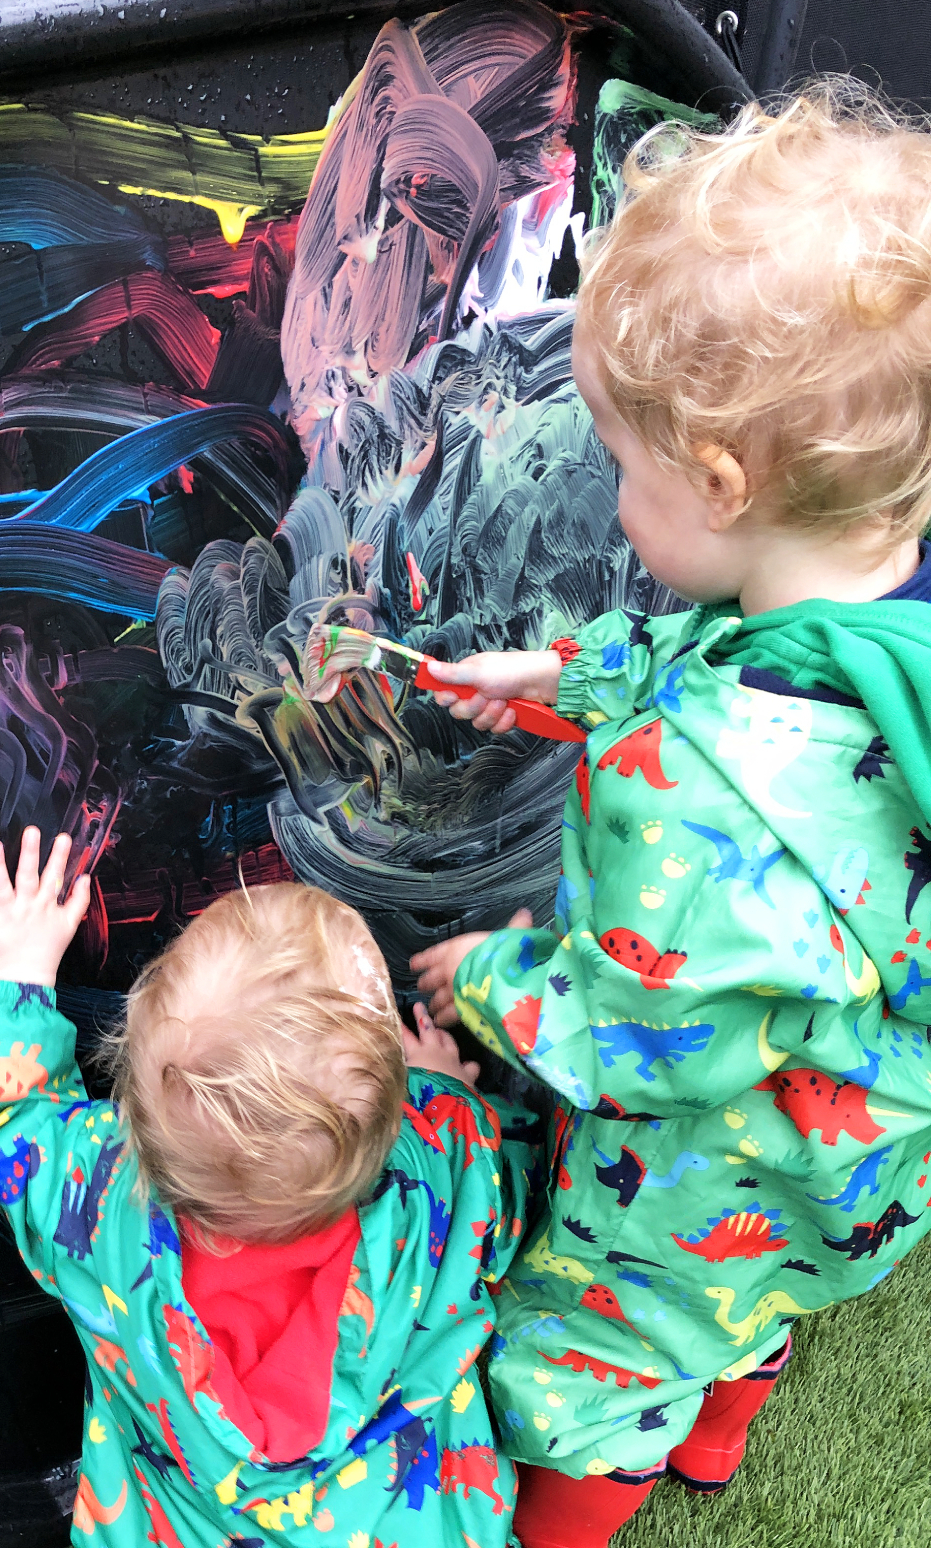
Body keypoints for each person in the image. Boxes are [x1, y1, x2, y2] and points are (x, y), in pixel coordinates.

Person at [359, 84, 931, 1548]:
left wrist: (485, 978)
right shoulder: (884, 604)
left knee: (595, 1351)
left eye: (625, 464)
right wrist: (575, 677)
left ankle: (573, 1507)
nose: (613, 492)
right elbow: (754, 658)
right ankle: (722, 1435)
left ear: (724, 482)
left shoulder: (710, 806)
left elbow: (645, 1034)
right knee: (765, 1285)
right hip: (855, 1143)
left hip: (707, 1156)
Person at [0, 826, 544, 1546]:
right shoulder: (444, 1173)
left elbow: (4, 1123)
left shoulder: (100, 1202)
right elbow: (510, 1189)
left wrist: (20, 969)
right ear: (391, 1121)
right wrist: (445, 1092)